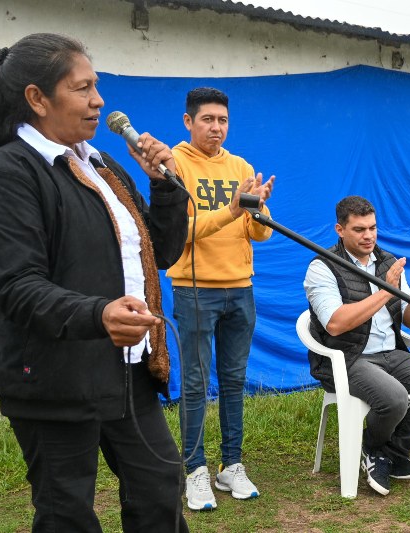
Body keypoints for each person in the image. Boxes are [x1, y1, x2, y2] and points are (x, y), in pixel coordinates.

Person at [0, 34, 189, 532]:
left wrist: (163, 187)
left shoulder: (101, 165)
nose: (99, 100)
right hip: (51, 376)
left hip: (123, 368)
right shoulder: (10, 173)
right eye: (82, 88)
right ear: (38, 99)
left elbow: (159, 255)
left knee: (160, 488)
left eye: (97, 86)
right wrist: (98, 314)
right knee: (67, 512)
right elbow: (18, 286)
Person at [303, 196, 410, 496]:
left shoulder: (387, 261)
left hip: (392, 353)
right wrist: (387, 291)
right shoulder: (322, 267)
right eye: (360, 229)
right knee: (395, 398)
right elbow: (335, 323)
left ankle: (383, 449)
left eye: (373, 228)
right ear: (340, 229)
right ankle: (377, 449)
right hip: (347, 357)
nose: (369, 236)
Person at [166, 87, 274, 509]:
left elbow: (259, 233)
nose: (216, 127)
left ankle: (231, 466)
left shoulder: (240, 165)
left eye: (223, 120)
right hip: (194, 290)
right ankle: (194, 470)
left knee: (233, 381)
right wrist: (231, 210)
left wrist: (259, 210)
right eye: (208, 119)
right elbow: (178, 232)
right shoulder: (173, 164)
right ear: (188, 121)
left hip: (240, 289)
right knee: (194, 383)